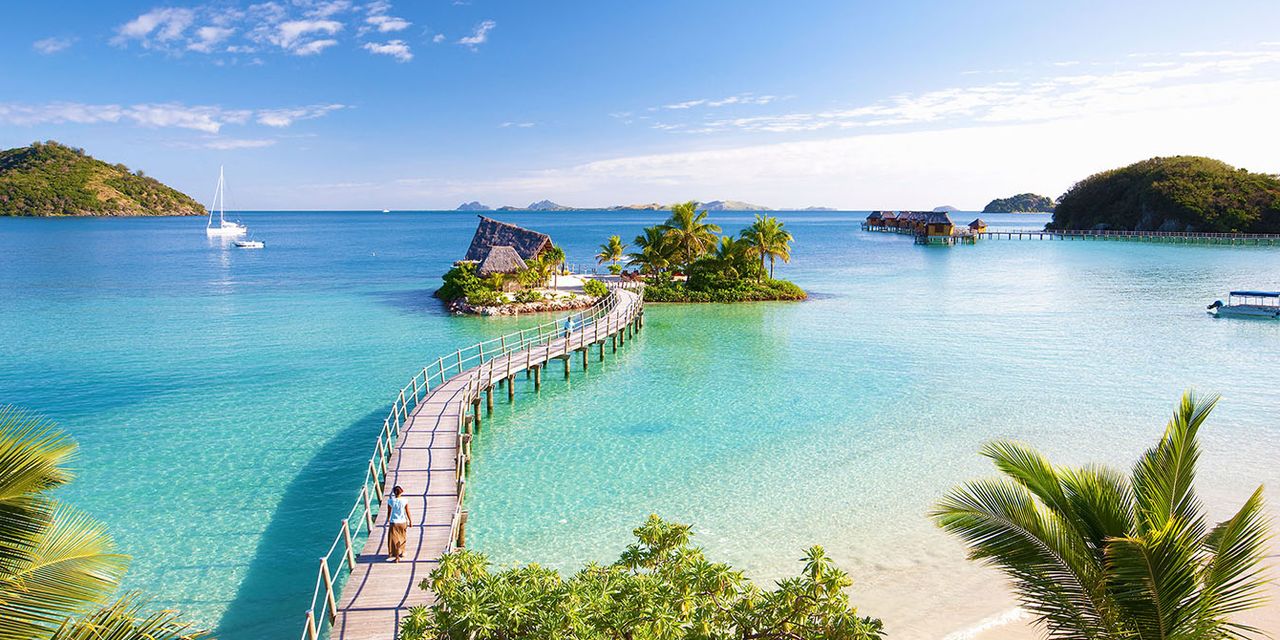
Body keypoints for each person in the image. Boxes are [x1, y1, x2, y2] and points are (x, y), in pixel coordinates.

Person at [386, 485, 411, 562]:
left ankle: (396, 556)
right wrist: (410, 521)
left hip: (394, 522)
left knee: (394, 540)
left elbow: (389, 512)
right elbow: (407, 512)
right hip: (403, 522)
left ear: (394, 493)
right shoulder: (405, 500)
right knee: (403, 537)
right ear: (401, 491)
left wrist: (388, 519)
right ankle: (402, 552)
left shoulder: (390, 501)